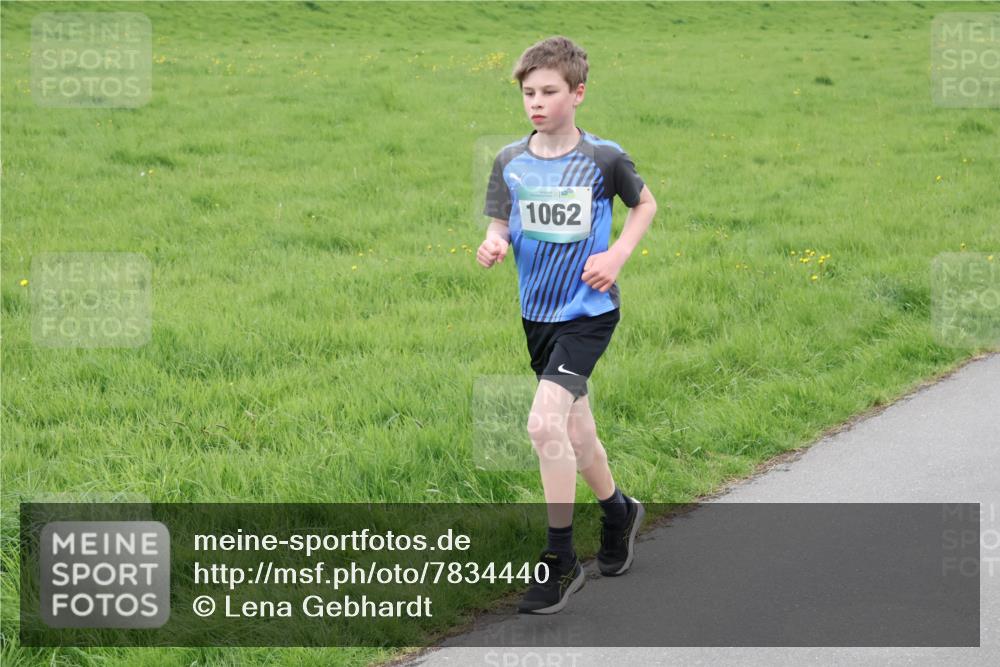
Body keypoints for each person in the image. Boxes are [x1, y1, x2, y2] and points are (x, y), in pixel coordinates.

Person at [477, 35, 658, 614]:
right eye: (528, 92)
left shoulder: (604, 157)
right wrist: (493, 243)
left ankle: (560, 558)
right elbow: (502, 221)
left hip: (588, 314)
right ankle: (618, 512)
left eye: (549, 91)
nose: (536, 101)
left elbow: (645, 205)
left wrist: (617, 256)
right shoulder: (510, 160)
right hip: (537, 317)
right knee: (577, 434)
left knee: (541, 424)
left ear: (577, 93)